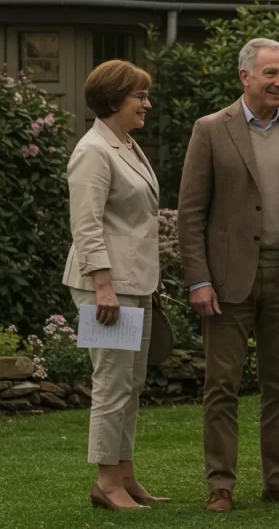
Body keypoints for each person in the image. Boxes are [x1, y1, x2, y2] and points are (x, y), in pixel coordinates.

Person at [177, 38, 279, 512]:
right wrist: (198, 280)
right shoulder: (210, 130)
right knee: (222, 385)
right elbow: (191, 214)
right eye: (271, 74)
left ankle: (278, 481)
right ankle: (221, 485)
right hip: (226, 283)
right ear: (245, 77)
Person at [63, 59, 166, 511]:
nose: (147, 103)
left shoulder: (125, 144)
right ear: (112, 100)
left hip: (134, 282)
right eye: (138, 96)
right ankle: (107, 483)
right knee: (112, 382)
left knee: (132, 381)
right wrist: (103, 284)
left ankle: (125, 475)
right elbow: (85, 226)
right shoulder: (92, 151)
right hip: (106, 287)